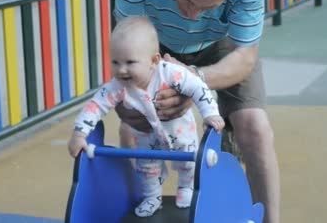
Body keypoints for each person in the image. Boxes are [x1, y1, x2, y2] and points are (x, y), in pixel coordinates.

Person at [113, 0, 280, 223]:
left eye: (208, 5)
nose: (191, 15)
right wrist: (139, 91)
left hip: (221, 42)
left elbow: (244, 55)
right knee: (133, 120)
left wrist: (193, 81)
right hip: (152, 39)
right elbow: (129, 37)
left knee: (255, 127)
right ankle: (136, 209)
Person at [68, 16, 225, 217]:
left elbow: (197, 88)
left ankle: (185, 189)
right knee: (147, 168)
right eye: (115, 62)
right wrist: (79, 133)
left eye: (130, 62)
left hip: (180, 132)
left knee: (189, 164)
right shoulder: (118, 87)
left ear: (154, 61)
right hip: (146, 138)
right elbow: (95, 106)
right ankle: (152, 197)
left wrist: (210, 114)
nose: (121, 69)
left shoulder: (170, 74)